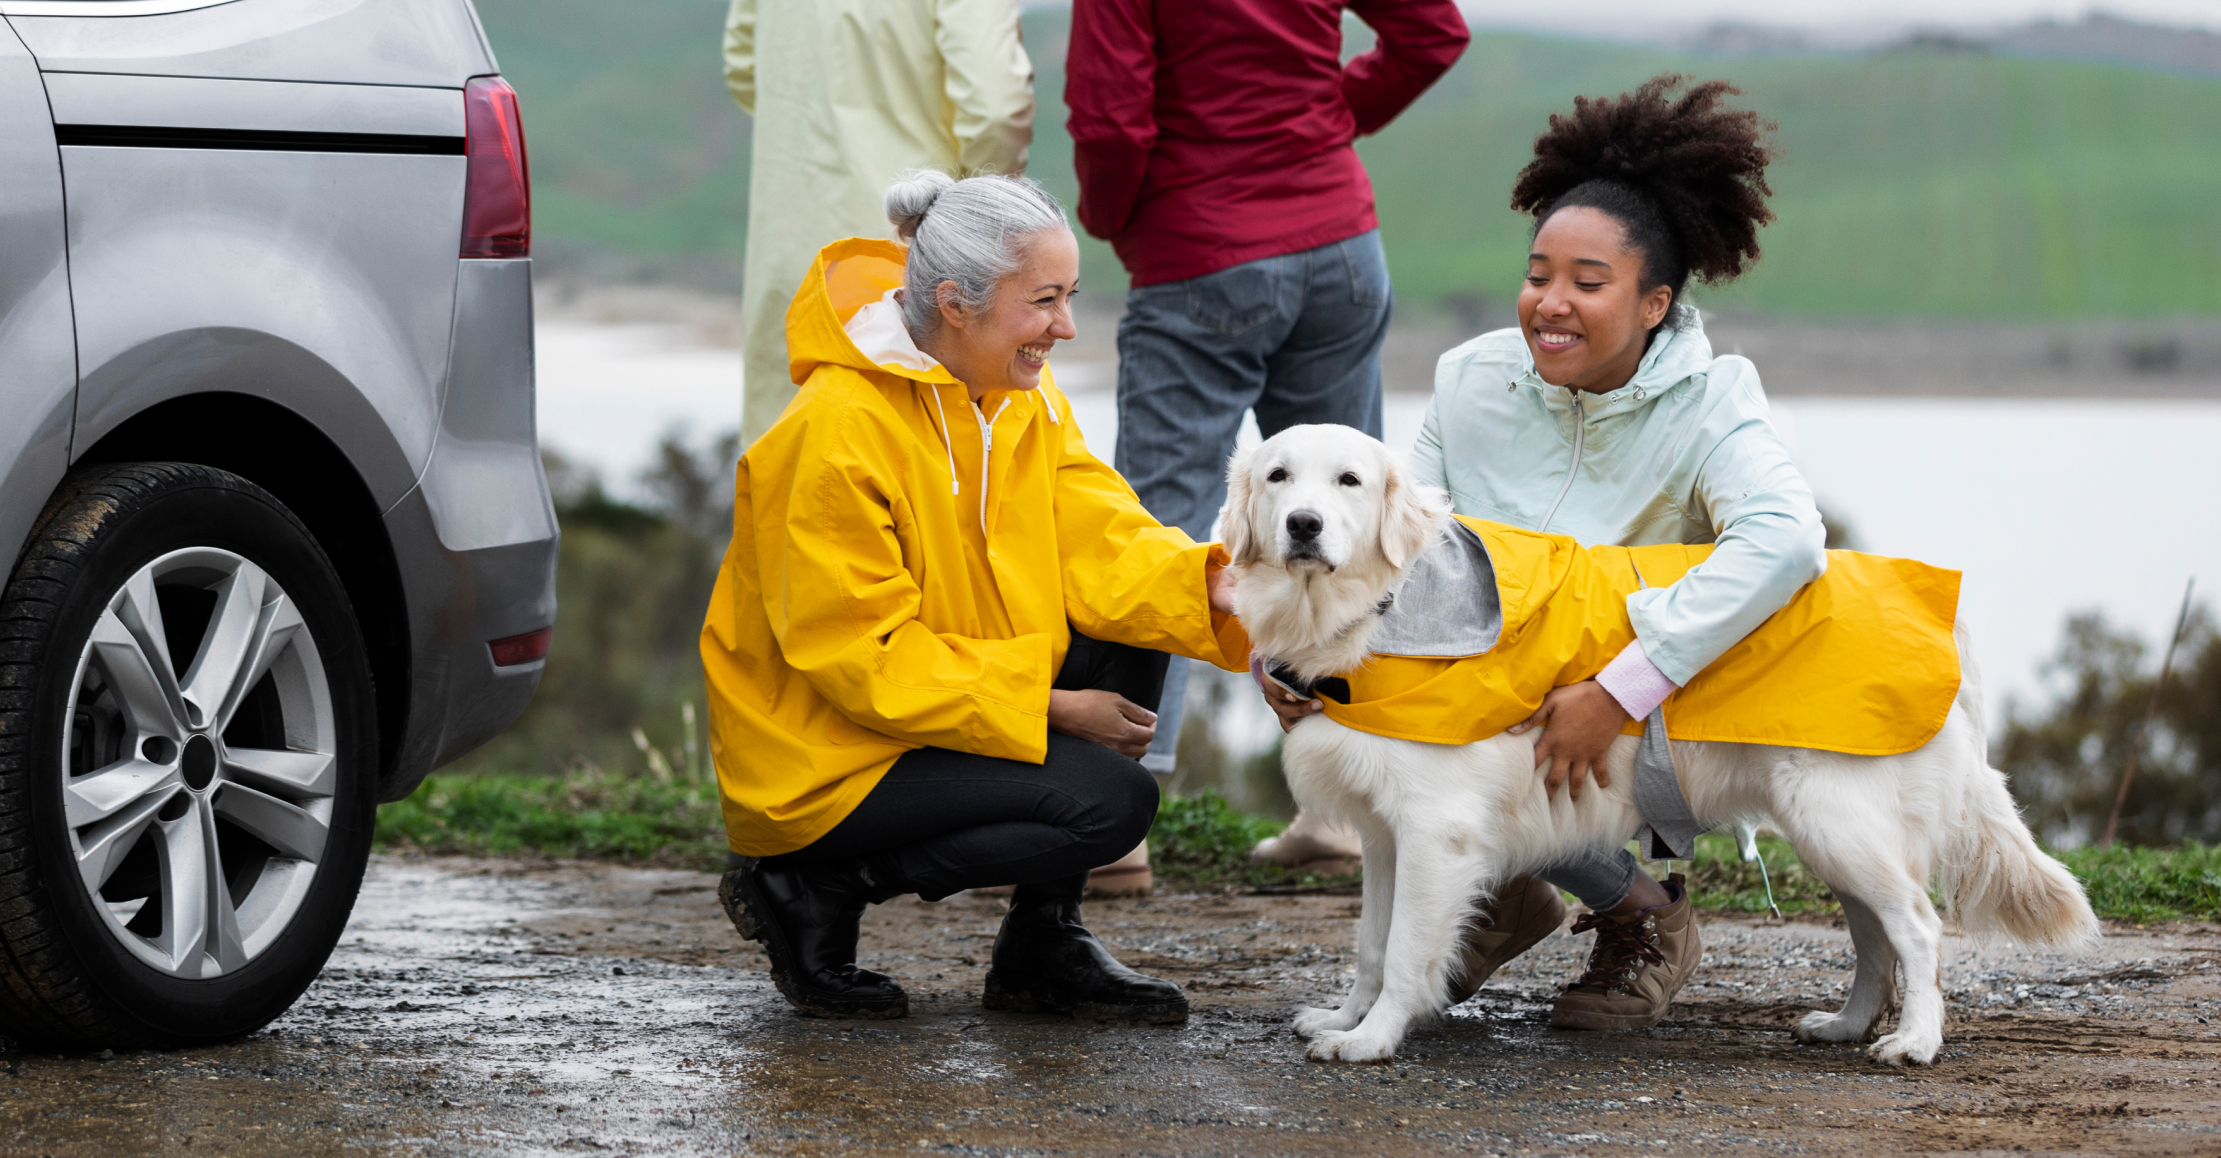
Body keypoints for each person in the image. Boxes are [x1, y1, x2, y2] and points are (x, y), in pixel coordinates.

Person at [1261, 75, 1824, 1031]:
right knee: (1364, 713)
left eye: (1587, 284)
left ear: (1652, 304)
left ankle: (1643, 909)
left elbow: (1786, 543)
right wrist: (1289, 658)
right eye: (1537, 274)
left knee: (1511, 734)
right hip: (1496, 678)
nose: (1549, 305)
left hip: (1649, 689)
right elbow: (1408, 549)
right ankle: (1499, 888)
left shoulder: (1715, 398)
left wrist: (1623, 687)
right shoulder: (1468, 376)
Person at [701, 171, 1251, 1022]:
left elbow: (1106, 540)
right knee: (1111, 804)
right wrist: (1055, 708)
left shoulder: (1021, 398)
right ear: (954, 303)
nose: (1065, 328)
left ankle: (1042, 945)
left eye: (1069, 297)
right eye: (1043, 301)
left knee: (1146, 610)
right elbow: (865, 660)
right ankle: (809, 883)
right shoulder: (831, 432)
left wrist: (1241, 597)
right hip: (825, 756)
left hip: (943, 711)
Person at [1064, 0, 1469, 781]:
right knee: (1357, 522)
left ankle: (1120, 798)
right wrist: (1324, 123)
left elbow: (1109, 122)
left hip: (1198, 243)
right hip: (1340, 246)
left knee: (1159, 525)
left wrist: (1117, 220)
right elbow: (1433, 33)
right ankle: (1361, 791)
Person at [723, 0, 1035, 447]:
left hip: (788, 250)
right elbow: (995, 109)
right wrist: (983, 220)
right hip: (915, 255)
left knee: (786, 457)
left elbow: (743, 70)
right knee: (928, 471)